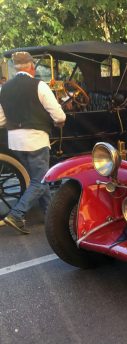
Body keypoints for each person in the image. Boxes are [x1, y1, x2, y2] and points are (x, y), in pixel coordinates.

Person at [0, 51, 66, 234]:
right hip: (36, 140)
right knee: (40, 180)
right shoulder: (40, 85)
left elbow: (1, 120)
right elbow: (59, 115)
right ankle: (16, 214)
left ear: (15, 67)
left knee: (38, 179)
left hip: (15, 142)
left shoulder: (4, 89)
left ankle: (49, 215)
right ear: (31, 66)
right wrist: (58, 121)